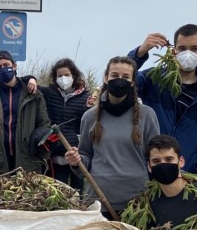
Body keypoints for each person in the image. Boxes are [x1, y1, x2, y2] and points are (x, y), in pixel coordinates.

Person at [65, 56, 160, 217]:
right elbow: (86, 156)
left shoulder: (147, 115)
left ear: (133, 81)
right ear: (106, 77)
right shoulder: (90, 117)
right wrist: (76, 162)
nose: (119, 80)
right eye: (115, 76)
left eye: (126, 77)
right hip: (98, 202)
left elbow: (156, 157)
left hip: (137, 202)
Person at [128, 24, 197, 174]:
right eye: (182, 48)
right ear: (174, 51)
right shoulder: (154, 79)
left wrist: (194, 164)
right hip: (147, 169)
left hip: (183, 175)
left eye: (194, 48)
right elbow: (122, 81)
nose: (188, 53)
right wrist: (139, 54)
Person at [0, 50, 51, 174]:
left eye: (6, 65)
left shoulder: (33, 94)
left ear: (14, 66)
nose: (3, 68)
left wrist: (37, 144)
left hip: (27, 157)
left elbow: (44, 123)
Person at [39, 58, 93, 188]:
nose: (63, 78)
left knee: (78, 192)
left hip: (76, 154)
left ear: (73, 75)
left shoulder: (86, 96)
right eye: (60, 75)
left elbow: (86, 124)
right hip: (56, 154)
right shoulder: (50, 93)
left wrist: (88, 108)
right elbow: (27, 84)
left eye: (67, 75)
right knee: (59, 190)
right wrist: (31, 79)